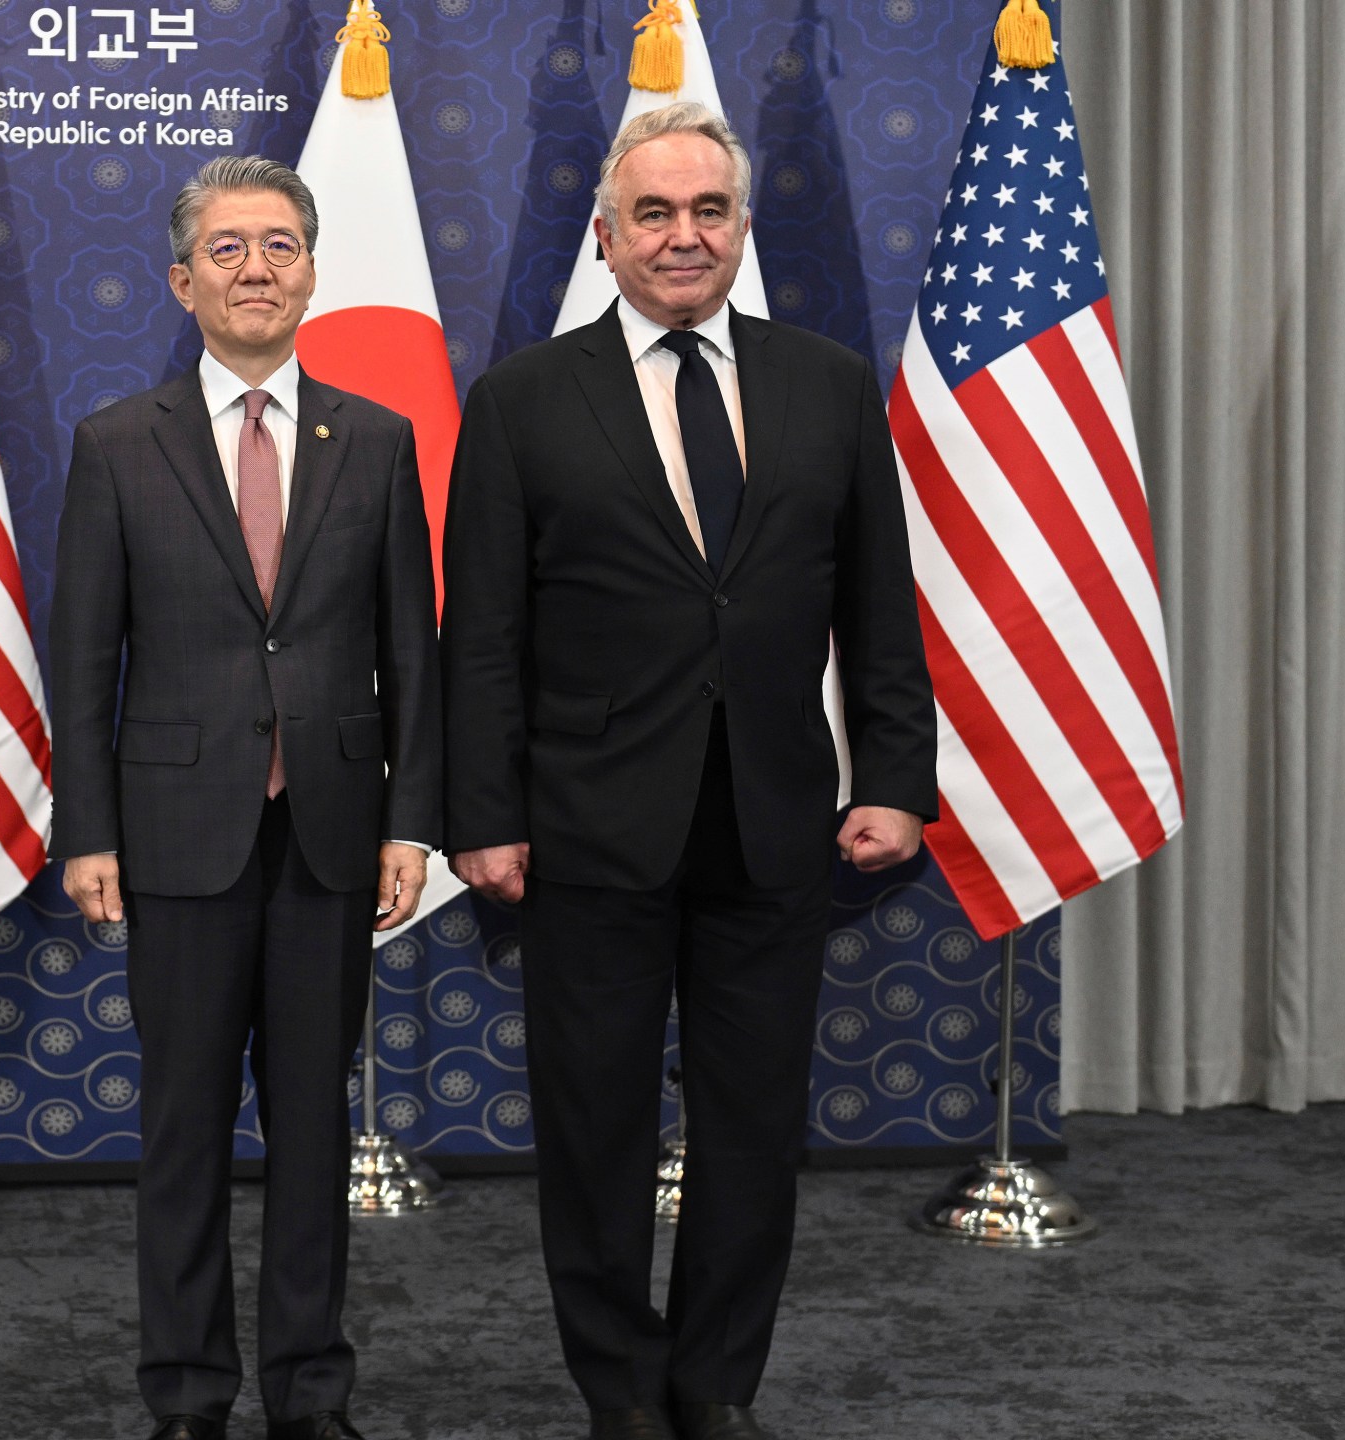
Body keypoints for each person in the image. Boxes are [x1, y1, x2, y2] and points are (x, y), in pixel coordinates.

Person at [442, 103, 937, 1440]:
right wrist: (479, 813)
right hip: (587, 830)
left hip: (774, 825)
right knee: (594, 1135)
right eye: (653, 214)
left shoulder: (828, 385)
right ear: (607, 238)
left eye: (707, 211)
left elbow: (882, 607)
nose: (682, 236)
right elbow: (480, 634)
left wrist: (894, 774)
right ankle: (622, 1393)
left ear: (741, 229)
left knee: (752, 1132)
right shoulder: (523, 399)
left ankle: (714, 1389)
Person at [47, 155, 444, 1440]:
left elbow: (412, 654)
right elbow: (80, 656)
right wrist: (88, 831)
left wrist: (409, 819)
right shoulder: (116, 443)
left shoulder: (376, 443)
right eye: (227, 249)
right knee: (180, 1135)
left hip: (331, 833)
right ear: (181, 280)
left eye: (278, 245)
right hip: (172, 838)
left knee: (315, 1139)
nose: (256, 268)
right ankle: (185, 1393)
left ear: (313, 270)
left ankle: (310, 1394)